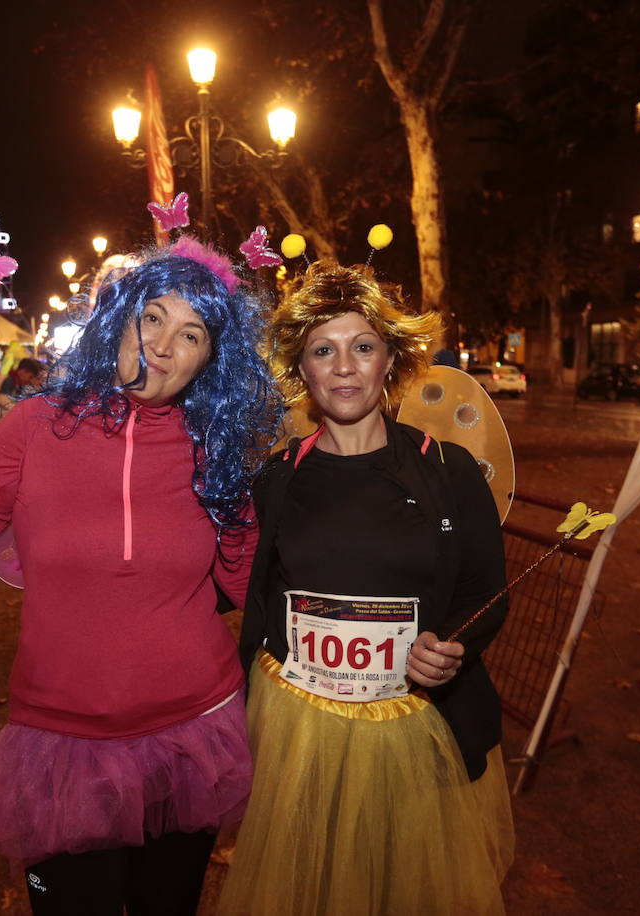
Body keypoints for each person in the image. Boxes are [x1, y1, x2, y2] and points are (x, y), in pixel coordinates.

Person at [0, 238, 281, 915]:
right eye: (152, 317)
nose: (163, 344)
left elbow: (247, 592)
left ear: (210, 359)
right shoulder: (34, 426)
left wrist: (252, 497)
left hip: (191, 733)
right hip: (64, 743)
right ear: (120, 317)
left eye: (191, 334)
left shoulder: (213, 450)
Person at [218, 263, 514, 916]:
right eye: (324, 349)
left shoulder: (448, 471)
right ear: (305, 370)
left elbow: (486, 592)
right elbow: (234, 579)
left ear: (390, 362)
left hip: (412, 731)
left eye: (362, 346)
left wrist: (451, 647)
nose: (344, 366)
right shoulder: (274, 480)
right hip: (297, 731)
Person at [0, 357, 42, 444]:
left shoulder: (16, 383)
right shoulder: (8, 380)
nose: (30, 381)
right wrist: (23, 411)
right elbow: (3, 400)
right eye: (30, 376)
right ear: (22, 371)